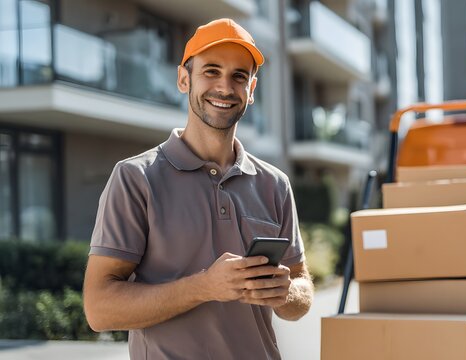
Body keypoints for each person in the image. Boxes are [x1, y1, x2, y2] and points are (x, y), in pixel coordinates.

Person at [83, 18, 314, 359]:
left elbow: (302, 290)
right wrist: (205, 287)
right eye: (211, 71)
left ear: (251, 90)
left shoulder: (274, 184)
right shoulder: (136, 178)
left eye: (239, 76)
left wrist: (286, 292)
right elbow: (99, 310)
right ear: (183, 78)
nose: (224, 86)